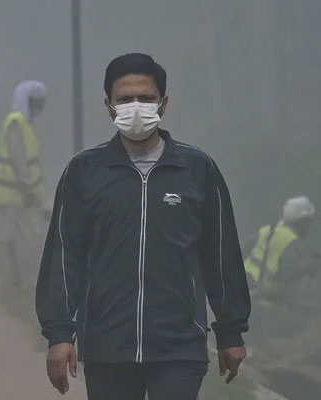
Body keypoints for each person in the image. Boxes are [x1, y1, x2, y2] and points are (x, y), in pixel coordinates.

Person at [35, 53, 251, 399]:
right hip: (107, 345)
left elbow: (221, 254)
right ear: (109, 106)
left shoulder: (197, 169)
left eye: (146, 98)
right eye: (125, 99)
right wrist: (60, 334)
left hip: (180, 345)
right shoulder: (84, 171)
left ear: (163, 103)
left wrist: (231, 331)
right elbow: (64, 257)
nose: (136, 107)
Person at [0, 80, 48, 287]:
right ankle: (22, 280)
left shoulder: (24, 124)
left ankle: (21, 280)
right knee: (22, 237)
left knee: (21, 238)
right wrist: (27, 185)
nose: (38, 108)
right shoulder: (16, 122)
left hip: (21, 192)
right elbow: (18, 157)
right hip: (15, 192)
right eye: (34, 103)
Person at [245, 196, 316, 288]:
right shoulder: (292, 241)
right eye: (307, 221)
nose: (308, 226)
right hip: (260, 288)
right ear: (299, 221)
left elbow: (241, 249)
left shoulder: (267, 230)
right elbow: (285, 274)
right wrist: (304, 269)